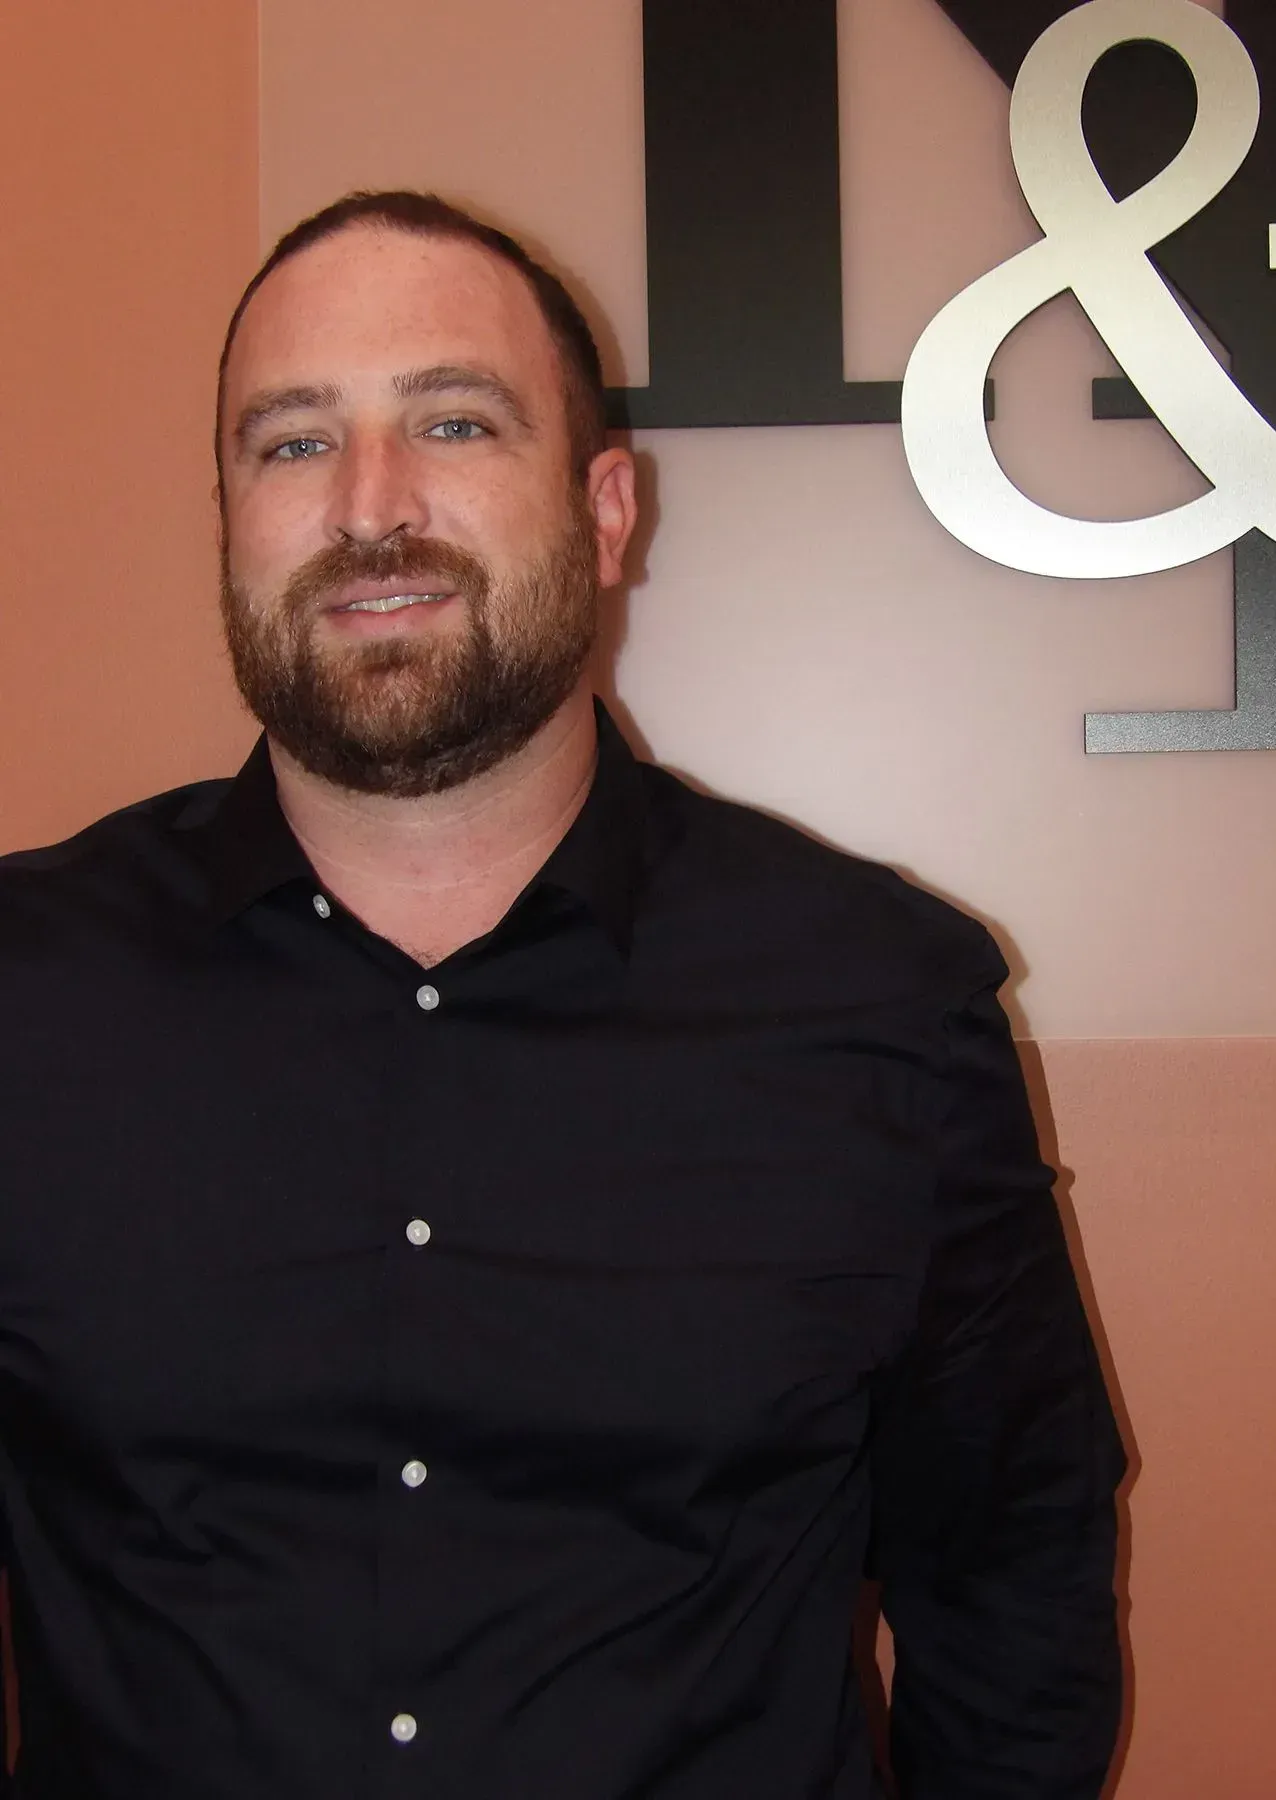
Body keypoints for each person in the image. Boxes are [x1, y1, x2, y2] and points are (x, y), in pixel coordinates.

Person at [0, 190, 1125, 1799]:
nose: (369, 508)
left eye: (452, 422)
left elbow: (1012, 1580)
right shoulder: (27, 995)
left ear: (605, 510)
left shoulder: (873, 1001)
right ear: (227, 516)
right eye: (293, 444)